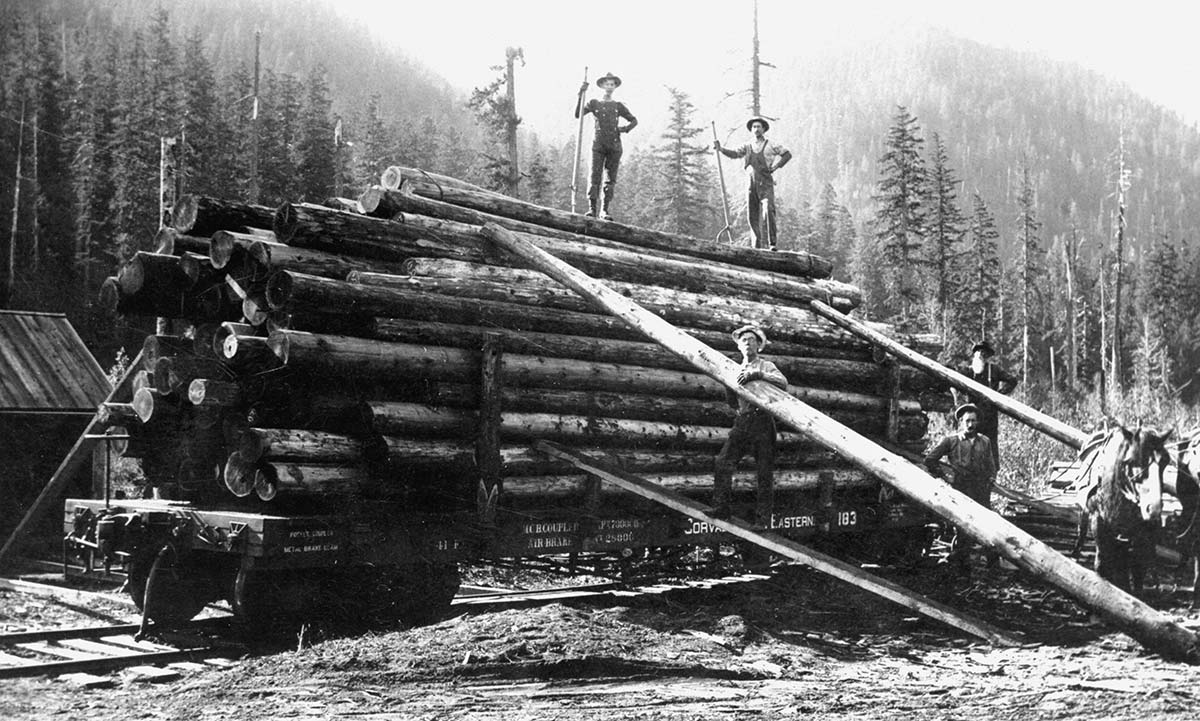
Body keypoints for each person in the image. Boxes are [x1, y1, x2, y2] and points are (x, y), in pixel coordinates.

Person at [712, 324, 789, 524]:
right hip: (743, 420)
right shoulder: (735, 368)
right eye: (744, 340)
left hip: (763, 421)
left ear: (758, 345)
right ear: (739, 346)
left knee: (764, 471)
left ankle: (763, 520)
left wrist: (758, 375)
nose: (748, 343)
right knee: (723, 462)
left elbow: (783, 383)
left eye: (752, 340)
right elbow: (731, 400)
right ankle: (721, 508)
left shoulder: (766, 365)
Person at [924, 403, 998, 573]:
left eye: (973, 421)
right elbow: (930, 460)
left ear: (978, 422)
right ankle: (961, 565)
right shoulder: (951, 441)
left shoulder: (985, 441)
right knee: (963, 526)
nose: (970, 424)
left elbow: (991, 465)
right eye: (967, 421)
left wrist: (991, 478)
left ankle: (992, 565)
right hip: (960, 489)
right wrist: (945, 477)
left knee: (988, 524)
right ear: (961, 422)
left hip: (980, 489)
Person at [713, 116, 792, 249]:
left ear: (764, 129)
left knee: (768, 210)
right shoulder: (747, 146)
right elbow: (735, 154)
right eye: (754, 127)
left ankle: (772, 244)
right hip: (750, 184)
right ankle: (756, 246)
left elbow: (787, 155)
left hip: (765, 183)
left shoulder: (771, 144)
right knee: (752, 215)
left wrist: (776, 167)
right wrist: (721, 149)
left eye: (759, 127)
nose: (756, 129)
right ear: (751, 130)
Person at [574, 72, 637, 220]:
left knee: (610, 178)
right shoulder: (594, 103)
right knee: (594, 176)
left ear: (615, 87)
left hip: (614, 145)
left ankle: (604, 210)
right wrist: (580, 94)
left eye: (612, 84)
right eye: (607, 84)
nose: (609, 87)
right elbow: (578, 115)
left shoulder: (618, 106)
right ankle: (592, 209)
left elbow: (634, 121)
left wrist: (623, 129)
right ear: (602, 85)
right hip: (598, 144)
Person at [953, 340, 1018, 468]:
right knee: (969, 444)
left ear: (987, 356)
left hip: (989, 415)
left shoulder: (994, 370)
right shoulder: (968, 371)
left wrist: (999, 395)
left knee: (990, 445)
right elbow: (954, 381)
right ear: (974, 354)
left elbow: (1012, 380)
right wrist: (960, 402)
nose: (980, 354)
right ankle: (969, 471)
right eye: (978, 352)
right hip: (972, 416)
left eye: (983, 353)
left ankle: (992, 473)